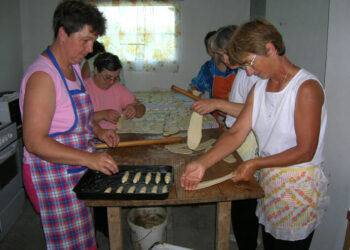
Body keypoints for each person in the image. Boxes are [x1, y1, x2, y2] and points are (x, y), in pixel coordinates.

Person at [181, 18, 329, 250]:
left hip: (298, 184)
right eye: (244, 66)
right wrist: (202, 163)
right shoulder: (260, 88)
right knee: (270, 242)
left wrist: (255, 163)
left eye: (249, 63)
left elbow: (305, 150)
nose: (249, 71)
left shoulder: (305, 88)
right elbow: (237, 132)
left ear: (270, 48)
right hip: (270, 178)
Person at [19, 1, 119, 249]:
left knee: (85, 238)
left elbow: (79, 117)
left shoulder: (73, 67)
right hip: (51, 175)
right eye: (84, 40)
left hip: (73, 169)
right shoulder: (43, 77)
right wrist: (89, 159)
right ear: (63, 33)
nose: (89, 49)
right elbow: (34, 142)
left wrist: (98, 131)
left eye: (92, 41)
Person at [191, 24, 261, 250]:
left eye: (222, 53)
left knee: (244, 201)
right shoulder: (243, 72)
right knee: (238, 200)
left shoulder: (255, 74)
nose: (220, 58)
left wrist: (218, 103)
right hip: (236, 135)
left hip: (249, 141)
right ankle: (243, 236)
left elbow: (256, 112)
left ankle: (247, 241)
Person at [85, 52, 146, 130]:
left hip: (115, 135)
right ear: (96, 70)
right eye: (108, 77)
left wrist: (135, 109)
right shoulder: (83, 88)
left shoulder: (117, 87)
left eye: (116, 78)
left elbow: (141, 107)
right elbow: (77, 120)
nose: (111, 82)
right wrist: (102, 115)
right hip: (92, 137)